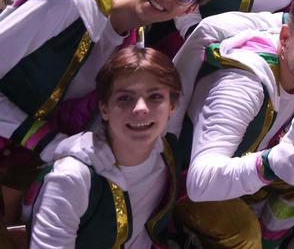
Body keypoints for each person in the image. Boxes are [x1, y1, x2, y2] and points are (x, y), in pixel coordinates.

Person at [0, 0, 221, 203]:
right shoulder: (66, 2)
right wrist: (46, 141)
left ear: (191, 9)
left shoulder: (132, 45)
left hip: (20, 163)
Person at [173, 0, 294, 248]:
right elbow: (199, 182)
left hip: (248, 158)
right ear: (285, 38)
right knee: (246, 236)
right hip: (179, 180)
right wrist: (267, 165)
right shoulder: (243, 86)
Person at [25, 47, 187, 249]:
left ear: (172, 106)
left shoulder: (168, 154)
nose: (140, 109)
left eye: (155, 97)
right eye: (125, 98)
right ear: (104, 109)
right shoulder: (73, 178)